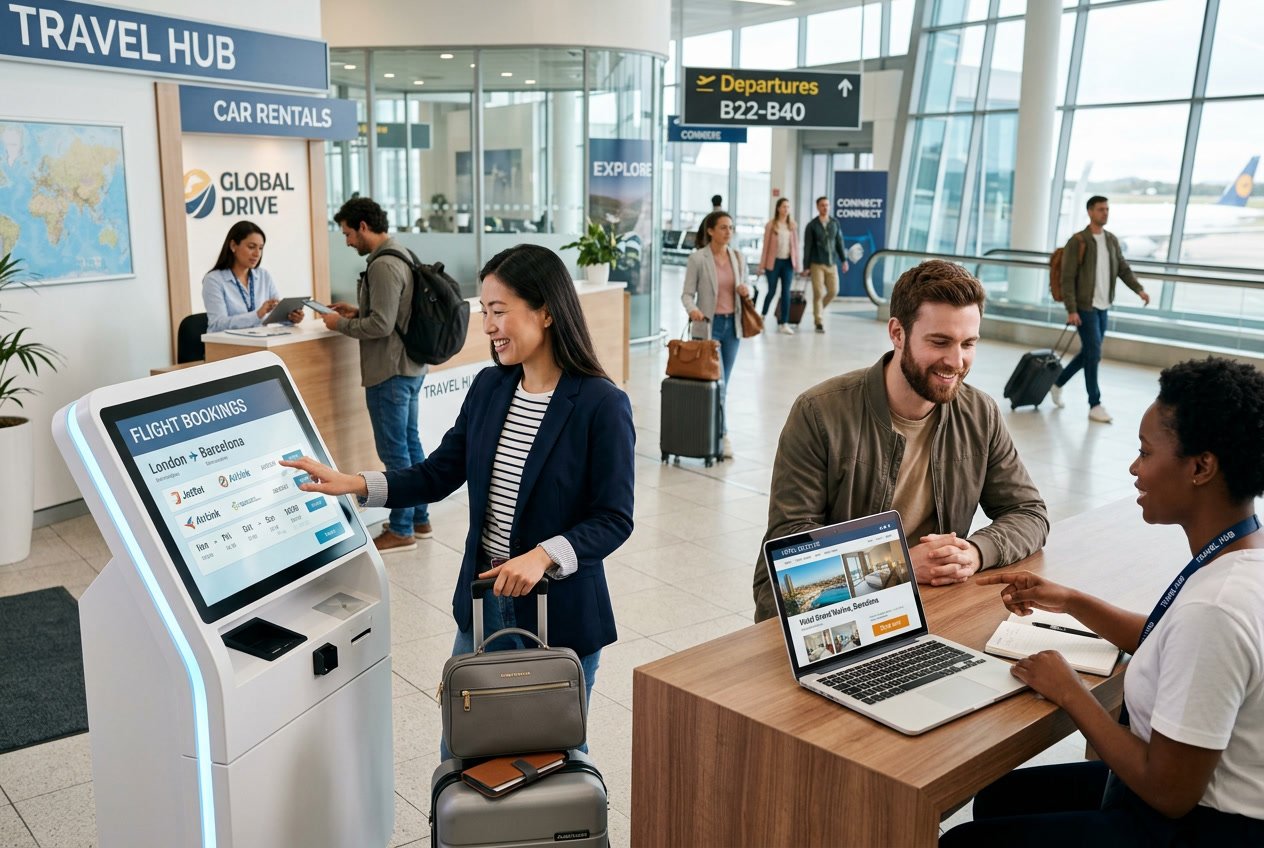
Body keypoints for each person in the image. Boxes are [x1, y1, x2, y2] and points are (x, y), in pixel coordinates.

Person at [280, 244, 635, 759]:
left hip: (559, 618)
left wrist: (543, 555)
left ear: (547, 311)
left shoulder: (601, 404)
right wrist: (356, 483)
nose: (488, 327)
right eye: (484, 312)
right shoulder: (491, 387)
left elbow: (613, 518)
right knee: (463, 752)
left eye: (499, 311)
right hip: (485, 604)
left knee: (552, 763)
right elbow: (438, 473)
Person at [944, 357, 1264, 846]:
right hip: (1197, 801)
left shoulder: (1216, 609)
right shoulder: (1244, 554)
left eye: (1145, 452)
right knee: (998, 799)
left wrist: (1071, 692)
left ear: (1201, 467)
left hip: (1201, 825)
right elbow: (1171, 642)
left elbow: (1169, 791)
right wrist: (1072, 600)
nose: (1134, 468)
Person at [751, 260, 1048, 621]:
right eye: (940, 342)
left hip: (932, 607)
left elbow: (1029, 513)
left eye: (968, 343)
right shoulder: (819, 413)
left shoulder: (979, 413)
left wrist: (975, 551)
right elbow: (790, 547)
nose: (956, 361)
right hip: (839, 614)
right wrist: (898, 564)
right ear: (897, 333)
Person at [323, 197, 432, 554]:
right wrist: (359, 311)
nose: (347, 241)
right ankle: (419, 517)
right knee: (411, 445)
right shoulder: (403, 253)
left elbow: (382, 325)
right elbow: (392, 313)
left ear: (363, 227)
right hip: (409, 367)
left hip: (390, 371)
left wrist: (340, 323)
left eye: (348, 233)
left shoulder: (383, 265)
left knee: (395, 453)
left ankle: (401, 529)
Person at [1051, 195, 1151, 424]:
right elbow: (1067, 278)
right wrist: (1071, 309)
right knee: (1094, 354)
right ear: (1089, 212)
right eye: (1100, 209)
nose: (1105, 213)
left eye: (1107, 209)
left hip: (1103, 306)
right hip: (1085, 307)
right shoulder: (1078, 241)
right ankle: (1094, 403)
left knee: (1089, 352)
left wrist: (1139, 289)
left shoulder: (1111, 240)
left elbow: (1123, 269)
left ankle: (1057, 383)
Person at [682, 210, 751, 460]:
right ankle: (722, 436)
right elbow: (687, 294)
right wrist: (694, 310)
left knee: (724, 384)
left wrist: (747, 289)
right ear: (710, 230)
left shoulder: (738, 257)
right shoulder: (698, 259)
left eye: (731, 227)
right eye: (723, 227)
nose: (728, 232)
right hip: (709, 328)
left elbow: (748, 284)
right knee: (718, 384)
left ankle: (713, 431)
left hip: (732, 327)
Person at [201, 220, 304, 333]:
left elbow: (275, 314)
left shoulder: (264, 276)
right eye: (251, 247)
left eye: (260, 248)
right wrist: (257, 314)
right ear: (233, 245)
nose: (257, 254)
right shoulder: (213, 280)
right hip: (228, 346)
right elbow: (217, 324)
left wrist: (290, 318)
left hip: (259, 342)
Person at [802, 196, 850, 334]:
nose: (825, 207)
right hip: (816, 263)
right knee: (818, 292)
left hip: (831, 263)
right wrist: (806, 266)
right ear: (817, 207)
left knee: (834, 290)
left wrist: (844, 260)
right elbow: (808, 247)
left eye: (827, 205)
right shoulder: (812, 225)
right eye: (822, 205)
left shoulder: (834, 223)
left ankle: (819, 309)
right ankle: (819, 321)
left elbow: (839, 242)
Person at [756, 198, 802, 334]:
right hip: (774, 263)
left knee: (786, 292)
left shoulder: (792, 226)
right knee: (772, 291)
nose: (786, 209)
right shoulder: (771, 225)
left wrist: (798, 266)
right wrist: (761, 265)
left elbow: (795, 247)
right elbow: (766, 247)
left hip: (788, 262)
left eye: (788, 207)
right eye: (784, 206)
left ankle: (784, 323)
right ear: (778, 208)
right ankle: (762, 316)